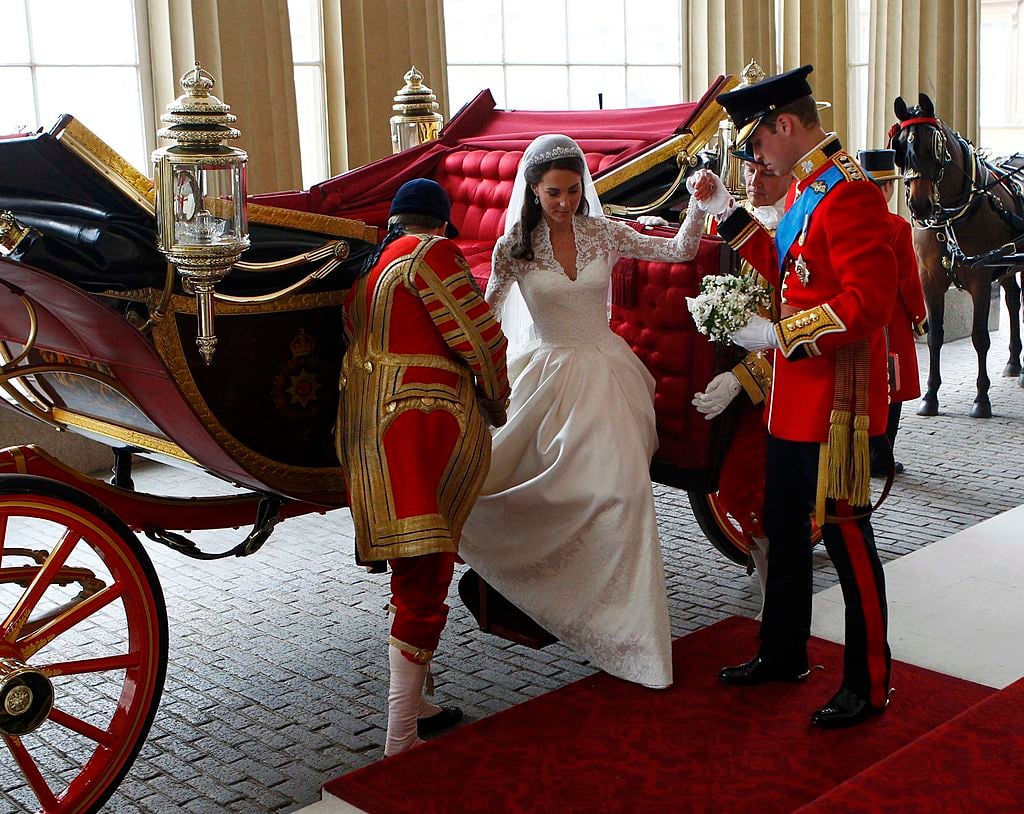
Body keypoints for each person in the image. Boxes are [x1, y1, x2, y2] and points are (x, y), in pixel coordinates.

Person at [458, 133, 706, 689]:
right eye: (553, 193)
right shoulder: (514, 248)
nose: (566, 202)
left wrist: (699, 203)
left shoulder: (602, 231)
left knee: (624, 494)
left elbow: (679, 252)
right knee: (532, 490)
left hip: (606, 376)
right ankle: (560, 593)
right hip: (546, 376)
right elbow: (488, 312)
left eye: (573, 190)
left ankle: (633, 635)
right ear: (534, 191)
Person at [690, 65, 897, 727]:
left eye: (754, 144)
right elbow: (791, 269)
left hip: (835, 402)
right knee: (784, 529)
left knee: (846, 542)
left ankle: (869, 683)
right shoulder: (812, 185)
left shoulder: (851, 193)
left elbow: (868, 304)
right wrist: (728, 213)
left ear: (783, 124)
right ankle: (783, 653)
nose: (754, 157)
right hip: (793, 402)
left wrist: (783, 333)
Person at [336, 178, 511, 756]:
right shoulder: (430, 254)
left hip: (367, 430)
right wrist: (496, 397)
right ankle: (399, 737)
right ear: (440, 224)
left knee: (409, 566)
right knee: (428, 573)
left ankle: (420, 706)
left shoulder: (368, 269)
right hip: (419, 426)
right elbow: (480, 335)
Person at [692, 157, 791, 610]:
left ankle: (782, 611)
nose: (755, 181)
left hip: (783, 390)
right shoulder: (747, 226)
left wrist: (742, 378)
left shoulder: (798, 234)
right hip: (739, 377)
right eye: (749, 171)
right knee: (736, 489)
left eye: (766, 172)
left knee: (747, 487)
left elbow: (799, 333)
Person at [857, 149, 927, 477]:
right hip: (890, 326)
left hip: (857, 320)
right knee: (891, 393)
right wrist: (920, 318)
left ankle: (862, 455)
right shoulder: (897, 228)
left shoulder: (851, 224)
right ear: (886, 188)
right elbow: (908, 281)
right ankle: (881, 458)